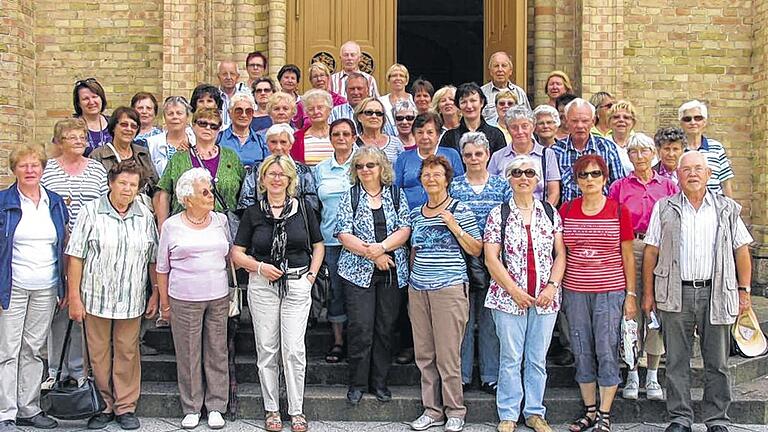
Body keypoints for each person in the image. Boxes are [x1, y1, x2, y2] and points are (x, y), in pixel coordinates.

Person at [642, 151, 753, 432]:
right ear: (677, 175)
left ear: (708, 174)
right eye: (686, 169)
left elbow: (741, 250)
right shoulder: (664, 207)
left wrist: (744, 290)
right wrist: (648, 293)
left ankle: (716, 419)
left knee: (717, 362)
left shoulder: (726, 208)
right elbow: (651, 251)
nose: (692, 174)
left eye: (698, 169)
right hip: (675, 293)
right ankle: (680, 418)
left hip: (715, 293)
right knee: (677, 360)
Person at [231, 155, 324, 432]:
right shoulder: (253, 213)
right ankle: (271, 409)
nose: (276, 178)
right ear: (262, 179)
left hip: (297, 283)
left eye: (281, 174)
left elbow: (317, 245)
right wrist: (260, 267)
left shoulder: (304, 209)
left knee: (294, 350)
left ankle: (296, 410)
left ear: (290, 179)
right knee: (268, 350)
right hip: (262, 286)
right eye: (271, 173)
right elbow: (237, 254)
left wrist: (311, 276)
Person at [66, 161, 159, 431]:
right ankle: (104, 405)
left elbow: (152, 259)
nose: (127, 189)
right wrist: (74, 296)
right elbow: (75, 257)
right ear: (110, 184)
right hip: (95, 297)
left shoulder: (144, 215)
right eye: (123, 183)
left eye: (133, 185)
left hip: (130, 300)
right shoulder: (91, 212)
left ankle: (125, 407)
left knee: (128, 353)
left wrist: (154, 294)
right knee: (98, 354)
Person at [483, 155, 566, 432]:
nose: (523, 177)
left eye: (529, 172)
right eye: (517, 172)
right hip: (507, 298)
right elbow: (491, 258)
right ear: (509, 178)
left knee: (536, 359)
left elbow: (560, 254)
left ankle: (534, 412)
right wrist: (514, 291)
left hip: (545, 299)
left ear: (538, 179)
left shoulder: (551, 213)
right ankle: (508, 413)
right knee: (510, 357)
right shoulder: (499, 214)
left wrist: (552, 287)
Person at [559, 154, 636, 432]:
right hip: (575, 291)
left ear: (605, 178)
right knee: (581, 349)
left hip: (610, 291)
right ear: (576, 180)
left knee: (606, 348)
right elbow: (561, 253)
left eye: (595, 174)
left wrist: (631, 295)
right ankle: (589, 410)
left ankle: (605, 413)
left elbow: (628, 255)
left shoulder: (618, 210)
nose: (589, 179)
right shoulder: (566, 210)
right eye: (583, 175)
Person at [408, 155, 482, 432]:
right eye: (426, 175)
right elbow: (414, 250)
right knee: (424, 354)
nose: (431, 179)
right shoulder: (416, 214)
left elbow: (476, 249)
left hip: (449, 288)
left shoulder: (459, 209)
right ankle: (432, 410)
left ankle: (455, 410)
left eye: (437, 174)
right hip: (419, 289)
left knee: (448, 355)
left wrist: (453, 225)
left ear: (447, 179)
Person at [334, 147, 411, 405]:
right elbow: (343, 233)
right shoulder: (351, 196)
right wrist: (373, 254)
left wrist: (383, 248)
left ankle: (379, 382)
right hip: (357, 272)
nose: (366, 170)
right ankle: (357, 383)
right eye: (360, 166)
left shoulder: (397, 195)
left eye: (371, 165)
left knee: (385, 328)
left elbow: (405, 229)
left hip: (392, 272)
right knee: (361, 328)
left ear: (382, 168)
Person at [0, 145, 68, 431]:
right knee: (8, 350)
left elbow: (63, 244)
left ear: (43, 169)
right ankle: (6, 412)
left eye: (35, 165)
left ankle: (29, 407)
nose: (30, 171)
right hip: (12, 286)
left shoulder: (54, 202)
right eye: (23, 166)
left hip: (46, 285)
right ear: (14, 169)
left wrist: (63, 287)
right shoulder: (4, 201)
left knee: (32, 349)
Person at [156, 168, 230, 430]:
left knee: (217, 351)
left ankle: (216, 406)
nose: (211, 195)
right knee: (188, 354)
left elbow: (229, 256)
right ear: (188, 198)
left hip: (218, 296)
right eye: (204, 192)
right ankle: (191, 406)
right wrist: (164, 304)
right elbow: (162, 267)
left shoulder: (221, 220)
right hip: (183, 298)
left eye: (209, 189)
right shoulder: (172, 225)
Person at [607, 134, 678, 402]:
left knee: (656, 309)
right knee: (631, 310)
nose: (639, 156)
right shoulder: (619, 186)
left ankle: (653, 373)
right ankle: (633, 371)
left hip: (661, 247)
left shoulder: (668, 186)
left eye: (644, 151)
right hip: (631, 247)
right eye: (633, 151)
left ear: (653, 154)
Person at [40, 119, 108, 392]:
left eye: (82, 137)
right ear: (60, 141)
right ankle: (55, 369)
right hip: (56, 246)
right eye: (72, 137)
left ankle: (79, 369)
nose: (80, 141)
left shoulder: (96, 170)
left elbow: (104, 204)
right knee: (60, 306)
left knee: (82, 307)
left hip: (89, 248)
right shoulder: (49, 171)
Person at [449, 132, 511, 395]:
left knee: (489, 319)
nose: (473, 158)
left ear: (487, 155)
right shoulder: (454, 186)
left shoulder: (501, 185)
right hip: (461, 258)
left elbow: (511, 218)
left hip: (495, 260)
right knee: (463, 319)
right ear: (462, 158)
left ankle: (489, 375)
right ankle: (462, 376)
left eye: (478, 154)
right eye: (468, 154)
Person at [155, 108, 246, 228]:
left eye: (213, 126)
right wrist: (162, 228)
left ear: (219, 129)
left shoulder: (231, 157)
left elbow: (244, 194)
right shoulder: (178, 158)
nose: (208, 128)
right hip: (183, 228)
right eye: (203, 123)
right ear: (193, 125)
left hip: (223, 229)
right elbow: (164, 194)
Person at [314, 118, 357, 364]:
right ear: (330, 139)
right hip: (330, 239)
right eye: (336, 134)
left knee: (358, 292)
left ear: (354, 137)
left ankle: (358, 339)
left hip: (360, 240)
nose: (341, 138)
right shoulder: (321, 169)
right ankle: (339, 341)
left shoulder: (363, 163)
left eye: (346, 134)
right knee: (336, 292)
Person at [552, 98, 627, 203]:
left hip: (602, 214)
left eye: (585, 121)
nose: (580, 125)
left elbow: (618, 186)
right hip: (567, 214)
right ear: (566, 121)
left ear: (593, 122)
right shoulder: (556, 151)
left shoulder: (607, 148)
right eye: (574, 121)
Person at [237, 123, 319, 214]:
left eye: (283, 142)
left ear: (291, 145)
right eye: (273, 142)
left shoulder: (303, 171)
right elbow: (245, 203)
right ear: (267, 144)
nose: (278, 147)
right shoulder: (255, 171)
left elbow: (312, 204)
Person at [488, 106, 561, 206]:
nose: (520, 131)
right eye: (514, 127)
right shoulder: (497, 157)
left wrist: (543, 214)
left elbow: (554, 193)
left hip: (539, 215)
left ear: (533, 127)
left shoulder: (547, 154)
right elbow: (490, 191)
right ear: (508, 129)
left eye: (525, 126)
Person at [395, 112, 464, 210]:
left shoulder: (451, 155)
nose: (425, 137)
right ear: (413, 135)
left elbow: (460, 187)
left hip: (445, 214)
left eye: (430, 132)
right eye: (420, 132)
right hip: (410, 214)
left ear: (438, 135)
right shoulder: (404, 158)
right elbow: (396, 190)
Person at [90, 106, 159, 198]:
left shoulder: (143, 154)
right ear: (114, 127)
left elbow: (156, 186)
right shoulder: (97, 156)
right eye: (124, 124)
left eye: (134, 126)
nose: (129, 129)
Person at [678, 100, 734, 197]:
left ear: (704, 122)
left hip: (715, 207)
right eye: (687, 119)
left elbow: (725, 182)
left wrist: (730, 210)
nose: (693, 122)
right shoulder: (676, 150)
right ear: (681, 123)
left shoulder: (717, 148)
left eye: (698, 118)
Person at [439, 82, 506, 157]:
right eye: (463, 102)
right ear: (458, 106)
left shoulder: (496, 135)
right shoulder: (449, 137)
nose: (469, 106)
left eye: (473, 101)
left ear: (482, 102)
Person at [329, 73, 397, 136]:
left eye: (359, 88)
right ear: (346, 90)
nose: (356, 92)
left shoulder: (379, 112)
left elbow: (390, 136)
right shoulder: (335, 112)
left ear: (367, 90)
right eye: (352, 89)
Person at [217, 92, 269, 170]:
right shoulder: (218, 138)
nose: (244, 115)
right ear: (229, 113)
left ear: (253, 114)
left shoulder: (262, 141)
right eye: (238, 111)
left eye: (248, 111)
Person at [146, 96, 196, 177]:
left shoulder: (195, 141)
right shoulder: (152, 143)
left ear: (187, 117)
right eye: (170, 114)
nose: (175, 117)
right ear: (165, 118)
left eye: (179, 113)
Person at [480, 51, 531, 124]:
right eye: (496, 66)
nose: (500, 69)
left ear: (510, 71)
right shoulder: (481, 93)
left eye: (504, 66)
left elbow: (528, 118)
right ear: (491, 71)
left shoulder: (519, 93)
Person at [293, 62, 347, 130]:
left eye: (322, 75)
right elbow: (297, 128)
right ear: (311, 80)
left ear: (328, 77)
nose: (319, 79)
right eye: (315, 77)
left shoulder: (340, 101)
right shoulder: (303, 103)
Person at [355, 97, 404, 164]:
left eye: (378, 113)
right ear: (359, 117)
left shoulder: (395, 143)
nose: (374, 116)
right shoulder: (353, 144)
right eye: (369, 112)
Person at [291, 89, 333, 166]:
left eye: (320, 107)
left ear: (329, 110)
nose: (316, 112)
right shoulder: (297, 138)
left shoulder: (339, 134)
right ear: (306, 113)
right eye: (311, 109)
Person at [72, 77, 111, 155]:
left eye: (94, 97)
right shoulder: (69, 127)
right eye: (85, 99)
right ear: (78, 103)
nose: (91, 102)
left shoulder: (113, 124)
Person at [608, 100, 638, 173]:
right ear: (609, 121)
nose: (621, 120)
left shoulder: (640, 143)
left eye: (626, 117)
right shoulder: (602, 145)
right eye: (616, 117)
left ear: (633, 122)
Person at [216, 60, 243, 129]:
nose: (228, 77)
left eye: (232, 74)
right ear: (218, 76)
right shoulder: (213, 98)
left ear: (238, 76)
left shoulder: (244, 97)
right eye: (224, 74)